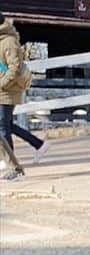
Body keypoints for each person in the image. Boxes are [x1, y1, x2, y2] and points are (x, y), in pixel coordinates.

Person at [0, 14, 47, 181]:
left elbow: (15, 67)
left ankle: (14, 168)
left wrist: (2, 84)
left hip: (7, 91)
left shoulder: (9, 41)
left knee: (2, 128)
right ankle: (38, 144)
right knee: (7, 126)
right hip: (3, 90)